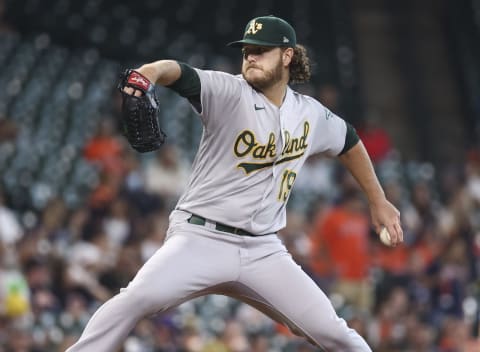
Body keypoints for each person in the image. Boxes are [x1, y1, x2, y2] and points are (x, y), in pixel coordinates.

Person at [66, 15, 403, 352]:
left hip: (263, 250)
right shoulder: (228, 91)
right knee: (135, 299)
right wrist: (149, 74)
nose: (250, 57)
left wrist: (378, 200)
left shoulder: (310, 114)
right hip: (200, 238)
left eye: (261, 50)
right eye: (246, 51)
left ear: (287, 56)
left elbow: (349, 141)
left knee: (335, 333)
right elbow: (179, 73)